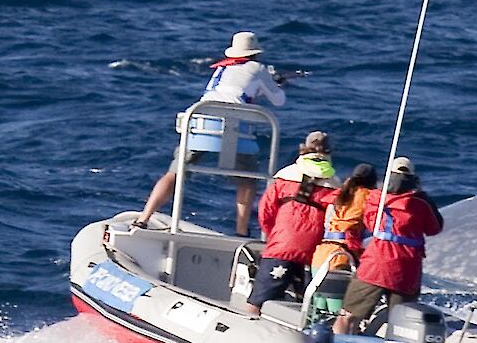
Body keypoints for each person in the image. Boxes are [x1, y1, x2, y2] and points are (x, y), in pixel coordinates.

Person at [134, 31, 294, 236]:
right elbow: (278, 100)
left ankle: (143, 218)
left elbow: (231, 90)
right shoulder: (259, 68)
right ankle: (241, 230)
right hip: (235, 129)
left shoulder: (221, 68)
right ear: (256, 54)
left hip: (200, 123)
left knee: (175, 173)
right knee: (248, 180)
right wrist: (276, 82)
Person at [336, 157, 443, 336]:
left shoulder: (376, 198)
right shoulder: (420, 202)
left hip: (375, 264)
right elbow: (434, 228)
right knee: (401, 320)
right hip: (406, 267)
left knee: (348, 315)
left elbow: (370, 224)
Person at [245, 132, 340, 314]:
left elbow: (265, 212)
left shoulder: (284, 177)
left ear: (303, 148)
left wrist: (274, 236)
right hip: (314, 253)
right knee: (308, 305)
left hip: (282, 246)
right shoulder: (335, 185)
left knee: (256, 301)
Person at [312, 163, 378, 276]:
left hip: (320, 255)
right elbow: (372, 232)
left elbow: (327, 224)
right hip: (344, 258)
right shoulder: (370, 199)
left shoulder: (338, 196)